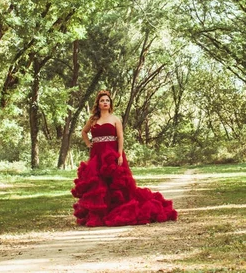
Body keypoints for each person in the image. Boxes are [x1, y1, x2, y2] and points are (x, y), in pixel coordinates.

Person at [70, 90, 178, 227]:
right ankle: (101, 212)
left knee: (116, 183)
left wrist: (120, 154)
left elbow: (120, 137)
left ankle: (116, 209)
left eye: (107, 101)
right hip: (97, 153)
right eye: (102, 100)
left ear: (110, 104)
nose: (105, 103)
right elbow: (84, 132)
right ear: (98, 103)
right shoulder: (93, 120)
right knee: (98, 182)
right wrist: (88, 143)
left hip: (112, 152)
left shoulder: (115, 119)